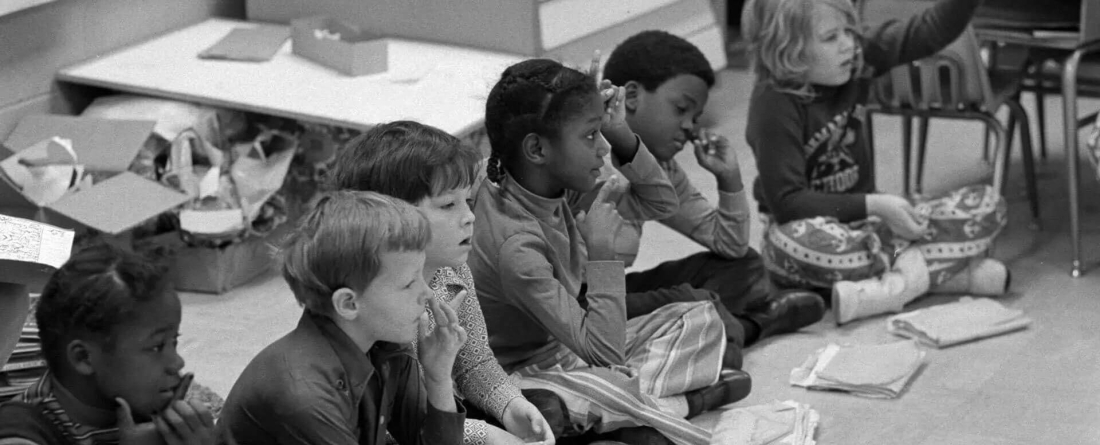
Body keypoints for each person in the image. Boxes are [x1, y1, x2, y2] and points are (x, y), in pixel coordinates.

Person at [470, 58, 749, 445]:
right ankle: (670, 405)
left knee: (701, 318)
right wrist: (602, 253)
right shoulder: (516, 246)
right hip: (520, 371)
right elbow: (605, 354)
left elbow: (662, 203)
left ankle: (638, 410)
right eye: (590, 136)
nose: (603, 150)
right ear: (537, 148)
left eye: (602, 133)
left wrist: (621, 132)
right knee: (585, 391)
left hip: (574, 348)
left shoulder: (547, 178)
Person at [741, 0, 1009, 324]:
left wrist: (881, 212)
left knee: (988, 203)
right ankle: (929, 275)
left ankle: (884, 289)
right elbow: (788, 204)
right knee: (792, 246)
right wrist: (875, 205)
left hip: (869, 229)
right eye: (830, 38)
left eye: (850, 32)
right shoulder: (773, 105)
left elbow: (928, 31)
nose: (849, 46)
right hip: (809, 229)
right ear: (788, 51)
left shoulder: (857, 58)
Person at [325, 120, 555, 445]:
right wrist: (485, 434)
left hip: (447, 410)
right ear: (389, 216)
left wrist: (511, 406)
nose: (469, 216)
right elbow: (398, 424)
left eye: (468, 201)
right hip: (409, 431)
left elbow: (474, 360)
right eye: (448, 205)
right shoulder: (377, 299)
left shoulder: (452, 269)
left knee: (545, 410)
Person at [601, 30, 825, 362]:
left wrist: (728, 178)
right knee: (696, 301)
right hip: (573, 305)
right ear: (631, 96)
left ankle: (711, 330)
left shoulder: (662, 168)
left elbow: (730, 246)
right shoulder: (588, 153)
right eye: (681, 109)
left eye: (696, 117)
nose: (690, 127)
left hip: (613, 294)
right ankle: (749, 327)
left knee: (745, 267)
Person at [218, 191, 468, 444]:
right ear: (348, 303)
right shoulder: (306, 396)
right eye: (408, 283)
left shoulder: (385, 344)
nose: (427, 293)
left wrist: (438, 377)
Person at [0, 243, 221, 444]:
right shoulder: (23, 433)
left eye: (174, 342)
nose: (177, 362)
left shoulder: (147, 410)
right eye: (156, 347)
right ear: (83, 358)